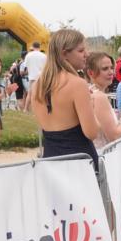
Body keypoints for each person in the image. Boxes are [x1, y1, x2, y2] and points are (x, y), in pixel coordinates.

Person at [29, 29, 100, 166]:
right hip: (80, 161)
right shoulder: (77, 84)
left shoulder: (37, 86)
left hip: (50, 159)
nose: (87, 54)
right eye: (81, 51)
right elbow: (92, 132)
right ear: (64, 54)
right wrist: (92, 106)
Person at [21, 41, 47, 111]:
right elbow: (47, 67)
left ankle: (25, 109)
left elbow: (25, 66)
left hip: (32, 76)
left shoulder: (28, 55)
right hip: (41, 77)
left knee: (30, 93)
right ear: (39, 47)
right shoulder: (44, 56)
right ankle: (41, 109)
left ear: (33, 46)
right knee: (42, 94)